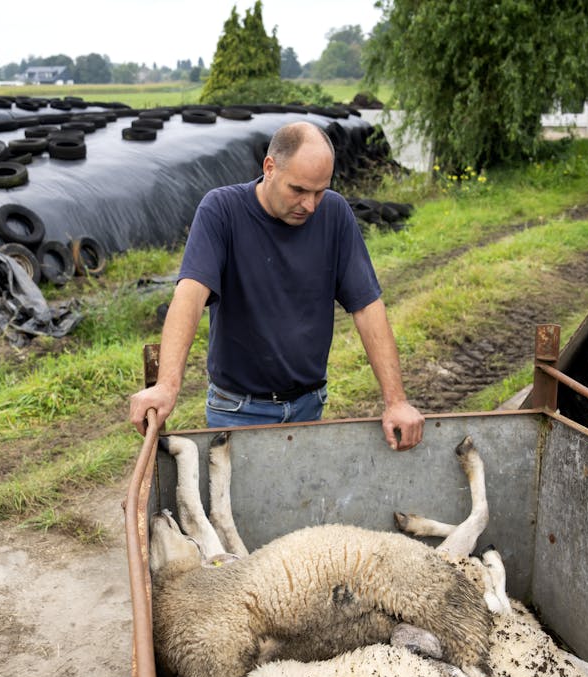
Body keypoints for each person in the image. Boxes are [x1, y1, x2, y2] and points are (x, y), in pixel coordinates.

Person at [127, 120, 423, 451]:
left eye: (319, 191)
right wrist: (167, 385)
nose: (309, 205)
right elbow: (190, 295)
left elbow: (367, 306)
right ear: (270, 167)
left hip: (309, 407)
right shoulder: (223, 211)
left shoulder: (335, 214)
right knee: (238, 503)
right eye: (298, 190)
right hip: (237, 411)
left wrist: (396, 400)